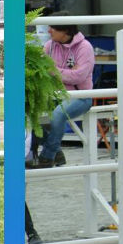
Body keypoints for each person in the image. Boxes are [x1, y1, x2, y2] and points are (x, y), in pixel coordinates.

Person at [31, 19, 95, 166]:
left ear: (65, 31)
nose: (48, 31)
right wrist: (65, 74)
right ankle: (57, 151)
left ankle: (48, 156)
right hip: (53, 96)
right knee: (36, 116)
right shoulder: (49, 46)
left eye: (52, 28)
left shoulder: (85, 47)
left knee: (57, 115)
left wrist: (53, 71)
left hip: (80, 96)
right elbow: (40, 71)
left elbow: (79, 76)